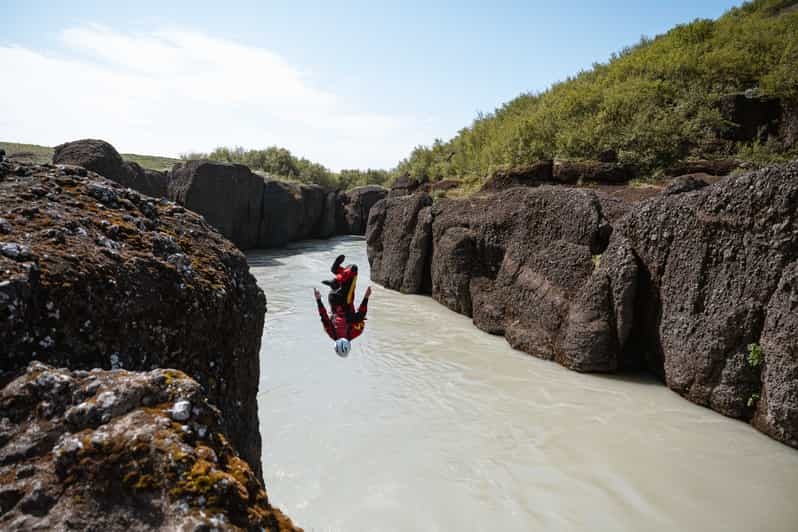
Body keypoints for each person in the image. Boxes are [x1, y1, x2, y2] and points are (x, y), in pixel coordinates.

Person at [315, 255, 372, 357]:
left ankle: (336, 279)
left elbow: (361, 314)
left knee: (353, 269)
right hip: (332, 298)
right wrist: (318, 300)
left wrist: (366, 297)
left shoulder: (355, 332)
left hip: (345, 299)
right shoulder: (331, 334)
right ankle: (337, 272)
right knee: (346, 276)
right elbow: (323, 316)